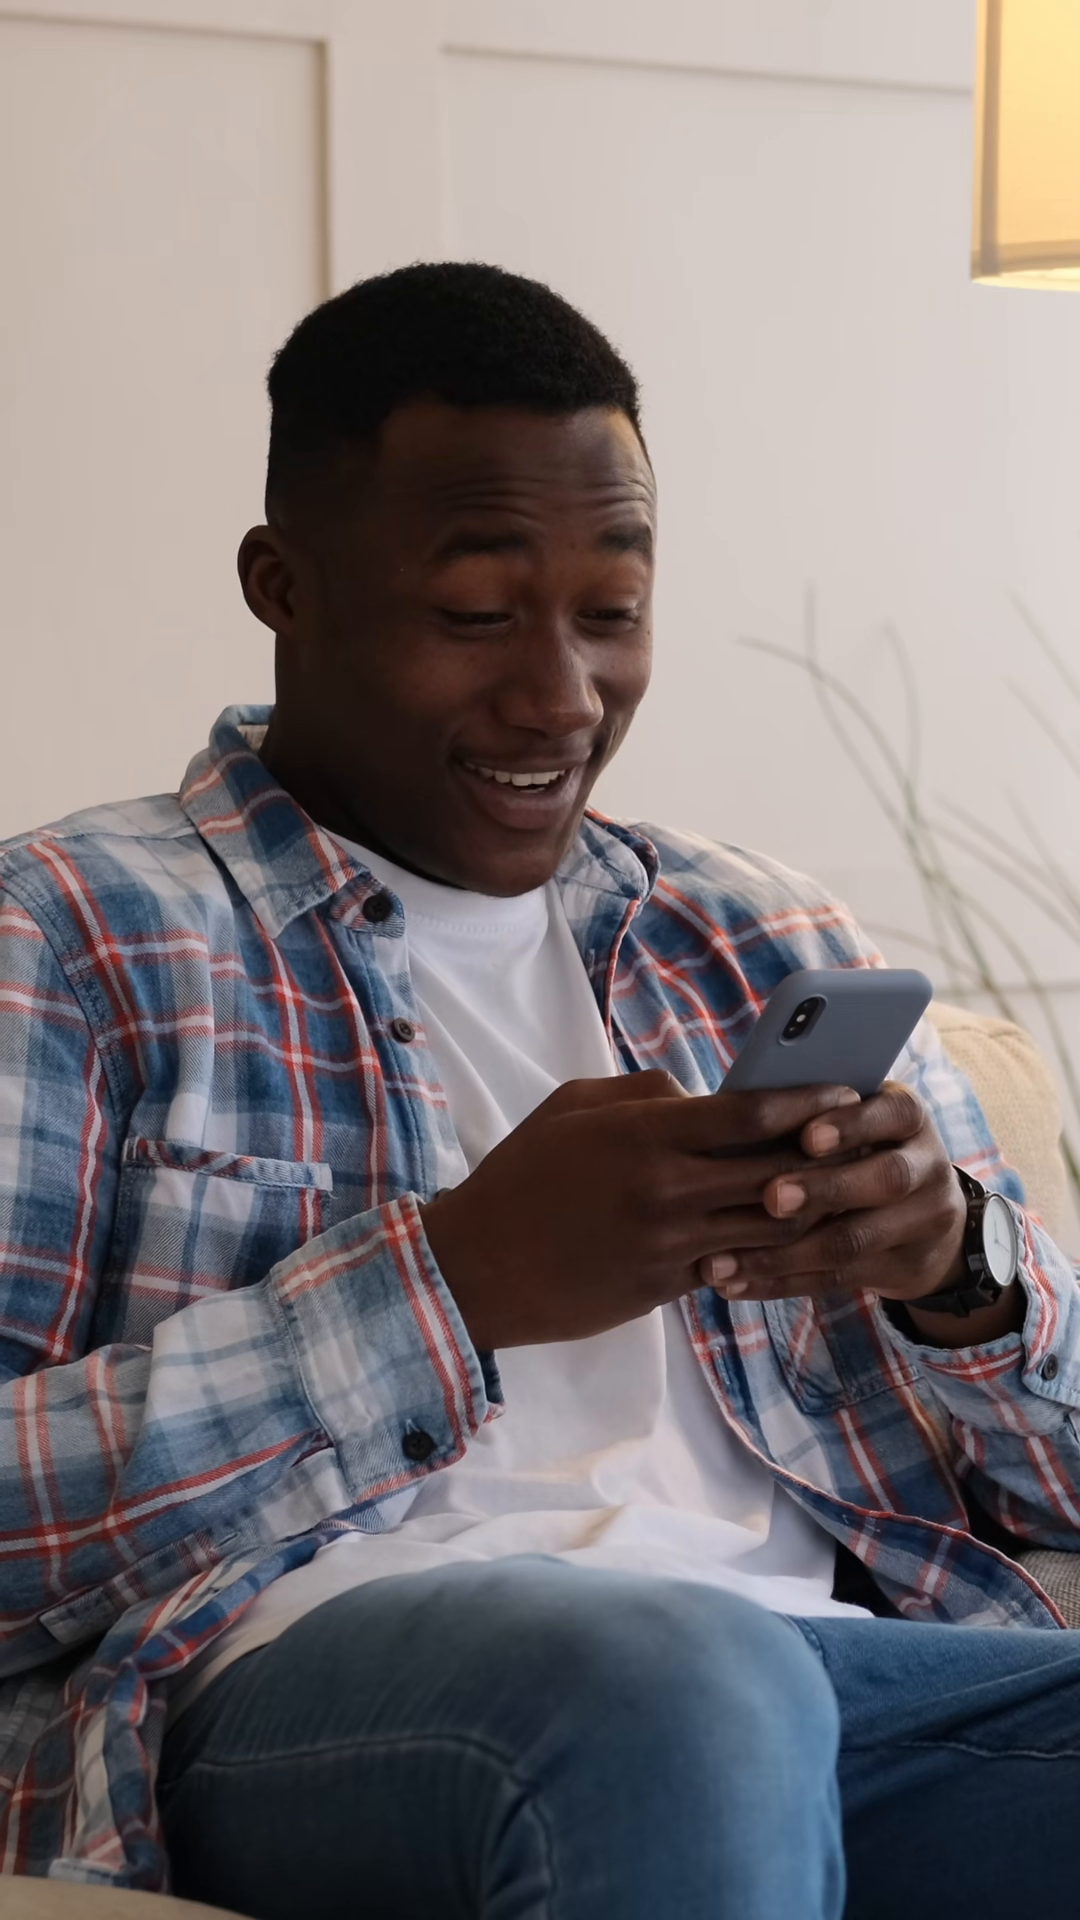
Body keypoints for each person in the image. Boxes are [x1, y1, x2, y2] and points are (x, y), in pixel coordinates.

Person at [1, 264, 1079, 1920]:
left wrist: (957, 1275)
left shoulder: (760, 935)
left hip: (837, 1680)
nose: (564, 696)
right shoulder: (70, 936)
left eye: (612, 613)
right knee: (680, 1688)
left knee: (722, 1683)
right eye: (477, 617)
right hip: (314, 1685)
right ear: (283, 586)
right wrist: (449, 1287)